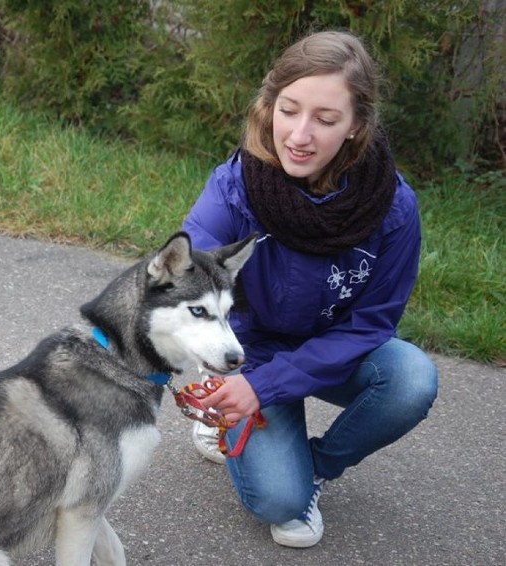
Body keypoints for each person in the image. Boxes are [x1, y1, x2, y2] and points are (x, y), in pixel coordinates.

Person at [181, 30, 438, 548]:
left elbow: (372, 324)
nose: (299, 135)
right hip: (249, 355)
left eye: (325, 120)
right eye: (289, 110)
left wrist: (268, 390)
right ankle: (230, 424)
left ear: (355, 126)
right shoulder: (234, 187)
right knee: (278, 504)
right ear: (269, 105)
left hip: (332, 351)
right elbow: (189, 287)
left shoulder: (393, 209)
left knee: (411, 378)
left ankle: (314, 467)